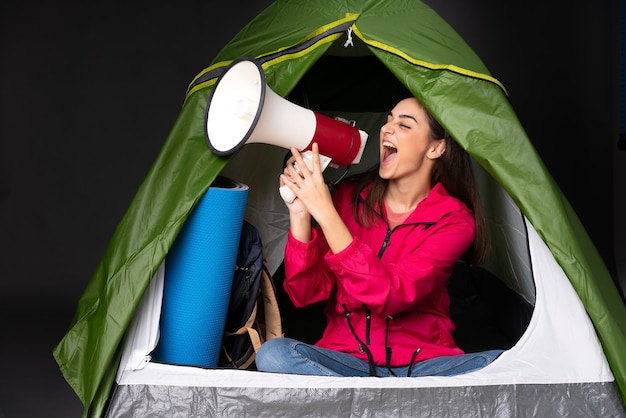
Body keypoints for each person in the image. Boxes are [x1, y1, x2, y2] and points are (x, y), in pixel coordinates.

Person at [255, 97, 503, 377]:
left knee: (502, 365)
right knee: (274, 355)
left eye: (404, 124)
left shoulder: (455, 221)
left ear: (436, 147)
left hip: (423, 367)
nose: (387, 128)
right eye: (388, 119)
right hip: (348, 360)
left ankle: (365, 402)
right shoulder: (348, 199)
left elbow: (392, 294)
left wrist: (325, 213)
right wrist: (300, 213)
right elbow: (305, 293)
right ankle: (393, 403)